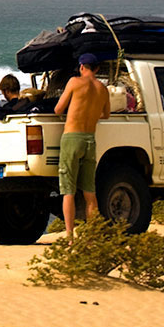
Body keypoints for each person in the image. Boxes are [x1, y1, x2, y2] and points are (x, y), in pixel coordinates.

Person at [53, 52, 110, 237]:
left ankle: (69, 236)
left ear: (82, 67)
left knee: (68, 190)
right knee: (89, 192)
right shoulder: (103, 88)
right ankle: (92, 236)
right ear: (97, 68)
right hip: (89, 139)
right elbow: (106, 114)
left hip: (72, 138)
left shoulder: (74, 82)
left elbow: (58, 109)